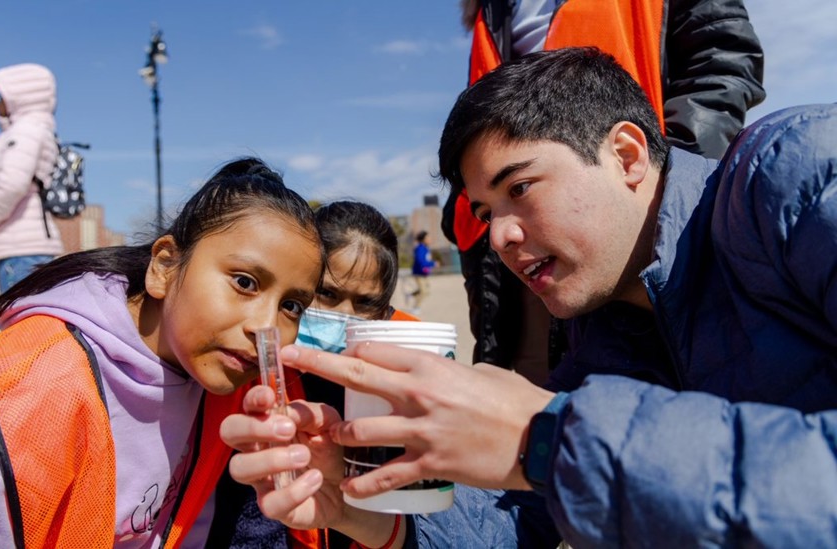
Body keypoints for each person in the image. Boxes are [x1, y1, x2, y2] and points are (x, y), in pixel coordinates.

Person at [222, 49, 837, 547]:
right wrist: (365, 510)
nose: (499, 237)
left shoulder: (795, 179)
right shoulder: (603, 336)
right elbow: (513, 519)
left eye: (520, 186)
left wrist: (547, 440)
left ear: (626, 154)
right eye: (486, 212)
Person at [0, 157, 327, 547]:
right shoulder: (26, 401)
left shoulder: (220, 384)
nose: (267, 328)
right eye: (244, 282)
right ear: (164, 267)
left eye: (291, 306)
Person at [443, 0, 766, 383]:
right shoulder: (491, 9)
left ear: (628, 153)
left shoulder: (784, 203)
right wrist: (468, 207)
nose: (500, 236)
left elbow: (723, 56)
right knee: (541, 390)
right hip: (524, 259)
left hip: (633, 213)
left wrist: (665, 183)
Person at [210, 200, 417, 548]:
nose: (343, 314)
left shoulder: (401, 386)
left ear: (384, 313)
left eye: (364, 303)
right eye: (327, 294)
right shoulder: (254, 369)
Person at [0, 62, 63, 293]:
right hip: (28, 245)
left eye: (2, 96)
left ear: (21, 97)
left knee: (21, 327)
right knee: (32, 325)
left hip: (21, 247)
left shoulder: (25, 131)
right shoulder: (35, 130)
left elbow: (12, 184)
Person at [407, 231, 437, 315]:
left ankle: (411, 295)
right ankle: (416, 307)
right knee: (424, 291)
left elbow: (426, 260)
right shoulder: (420, 248)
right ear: (423, 239)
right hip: (419, 273)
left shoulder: (426, 248)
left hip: (424, 274)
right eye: (428, 238)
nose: (429, 239)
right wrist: (433, 263)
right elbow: (421, 261)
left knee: (426, 291)